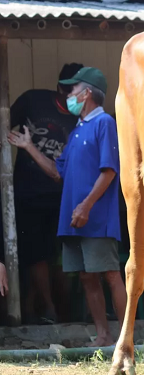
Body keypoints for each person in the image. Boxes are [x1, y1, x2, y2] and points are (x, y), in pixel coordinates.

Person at [8, 67, 126, 347]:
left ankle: (125, 338)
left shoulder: (104, 123)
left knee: (110, 274)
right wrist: (28, 146)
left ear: (86, 94)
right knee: (87, 277)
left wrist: (85, 206)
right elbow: (56, 172)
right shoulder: (77, 131)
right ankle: (102, 335)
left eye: (73, 90)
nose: (68, 95)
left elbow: (109, 172)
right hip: (74, 219)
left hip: (95, 218)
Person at [10, 62, 83, 324]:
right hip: (28, 193)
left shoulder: (81, 118)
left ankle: (54, 310)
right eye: (70, 92)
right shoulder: (32, 100)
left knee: (55, 256)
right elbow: (4, 122)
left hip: (62, 196)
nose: (74, 98)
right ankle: (49, 309)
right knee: (35, 254)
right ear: (60, 89)